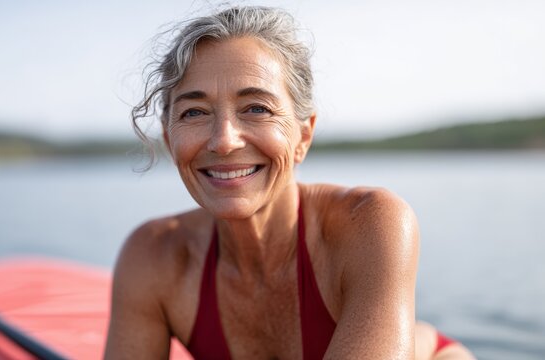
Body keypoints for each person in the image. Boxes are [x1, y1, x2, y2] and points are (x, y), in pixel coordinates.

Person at [104, 6, 475, 360]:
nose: (223, 140)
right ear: (170, 143)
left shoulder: (370, 224)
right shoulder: (154, 257)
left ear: (303, 136)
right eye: (194, 112)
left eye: (256, 108)